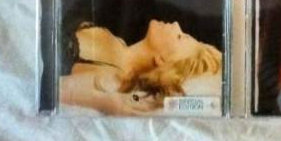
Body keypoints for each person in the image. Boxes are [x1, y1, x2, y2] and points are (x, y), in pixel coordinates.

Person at [59, 19, 221, 115]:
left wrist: (105, 101)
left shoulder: (111, 77)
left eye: (179, 36)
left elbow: (54, 90)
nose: (176, 24)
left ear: (162, 60)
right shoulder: (119, 42)